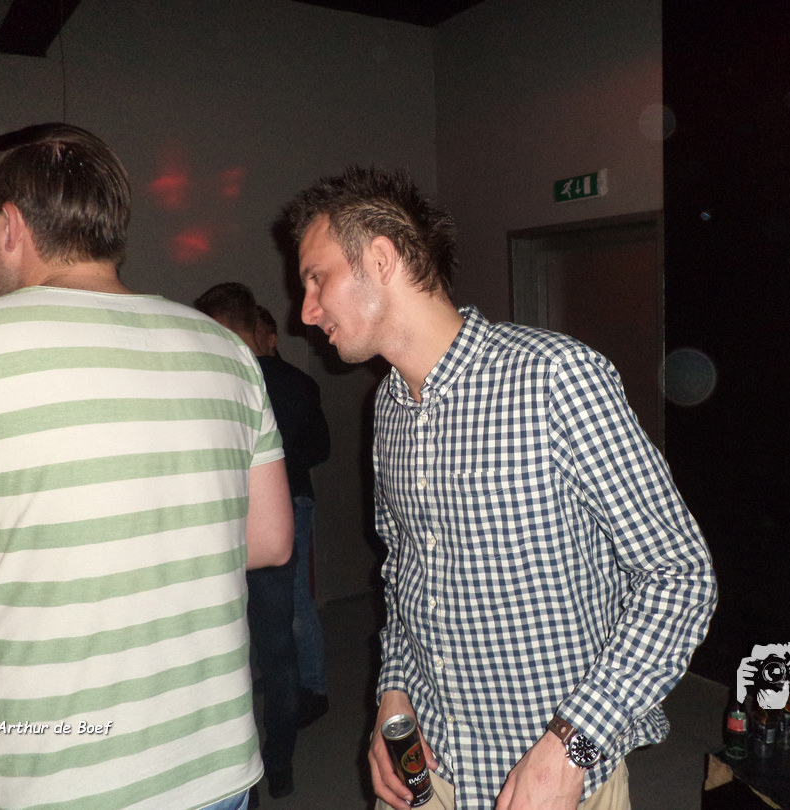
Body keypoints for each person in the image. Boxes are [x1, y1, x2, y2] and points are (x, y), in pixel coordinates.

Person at [284, 166, 717, 810]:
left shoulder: (555, 377)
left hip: (551, 776)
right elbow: (406, 572)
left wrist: (572, 747)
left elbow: (680, 575)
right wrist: (393, 695)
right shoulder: (389, 409)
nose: (306, 310)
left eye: (317, 278)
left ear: (380, 259)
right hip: (431, 764)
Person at [0, 123, 292, 810]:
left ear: (11, 224)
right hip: (212, 764)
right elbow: (271, 541)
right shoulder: (225, 350)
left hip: (52, 777)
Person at [194, 284, 330, 800]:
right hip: (288, 503)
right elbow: (319, 446)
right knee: (282, 638)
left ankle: (238, 768)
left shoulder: (213, 380)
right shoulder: (293, 382)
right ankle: (279, 763)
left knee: (224, 645)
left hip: (224, 520)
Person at [254, 304, 332, 726]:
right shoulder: (293, 381)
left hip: (289, 497)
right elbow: (320, 448)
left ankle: (312, 686)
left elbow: (319, 447)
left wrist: (277, 462)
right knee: (282, 597)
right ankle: (294, 681)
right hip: (288, 494)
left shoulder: (286, 381)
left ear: (269, 338)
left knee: (293, 598)